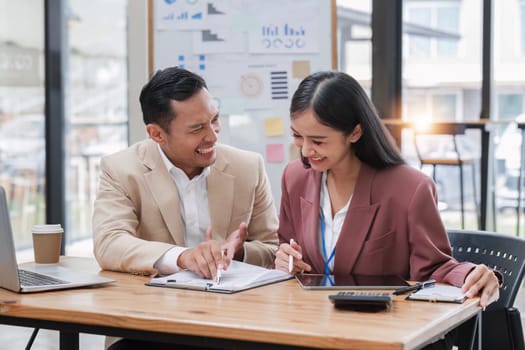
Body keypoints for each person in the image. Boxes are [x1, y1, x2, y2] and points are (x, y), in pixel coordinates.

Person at [274, 71, 500, 349]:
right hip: (310, 329)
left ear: (355, 132)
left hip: (382, 333)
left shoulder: (409, 188)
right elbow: (285, 245)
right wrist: (285, 259)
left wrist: (471, 275)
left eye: (318, 141)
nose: (307, 150)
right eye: (298, 136)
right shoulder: (295, 178)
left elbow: (433, 267)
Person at [93, 66, 279, 349]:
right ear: (157, 134)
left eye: (214, 120)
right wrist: (183, 257)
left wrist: (237, 251)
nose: (213, 136)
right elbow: (110, 243)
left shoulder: (247, 167)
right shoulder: (121, 169)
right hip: (151, 325)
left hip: (235, 322)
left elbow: (271, 247)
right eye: (197, 129)